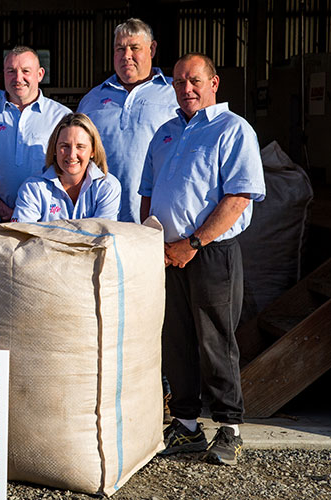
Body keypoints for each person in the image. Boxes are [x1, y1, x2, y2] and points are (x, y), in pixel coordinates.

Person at [140, 53, 265, 466]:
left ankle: (229, 428)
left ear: (214, 83)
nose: (186, 89)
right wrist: (155, 241)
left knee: (215, 339)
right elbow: (147, 192)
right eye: (178, 82)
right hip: (167, 255)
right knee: (176, 339)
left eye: (194, 80)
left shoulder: (233, 130)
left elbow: (239, 197)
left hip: (209, 251)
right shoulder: (166, 132)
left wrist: (192, 243)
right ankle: (187, 425)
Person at [77, 18, 177, 224]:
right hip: (101, 217)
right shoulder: (92, 100)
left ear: (152, 49)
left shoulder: (174, 94)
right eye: (120, 49)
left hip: (157, 219)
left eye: (134, 48)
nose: (126, 56)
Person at [0, 46, 71, 223]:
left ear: (40, 74)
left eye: (26, 71)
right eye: (11, 71)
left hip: (46, 222)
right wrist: (1, 209)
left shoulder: (62, 117)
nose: (18, 78)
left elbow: (71, 171)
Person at [12, 113, 120, 222]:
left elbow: (103, 235)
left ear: (93, 151)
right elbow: (23, 233)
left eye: (80, 147)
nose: (72, 155)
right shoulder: (33, 188)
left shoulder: (108, 187)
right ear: (54, 149)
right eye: (65, 146)